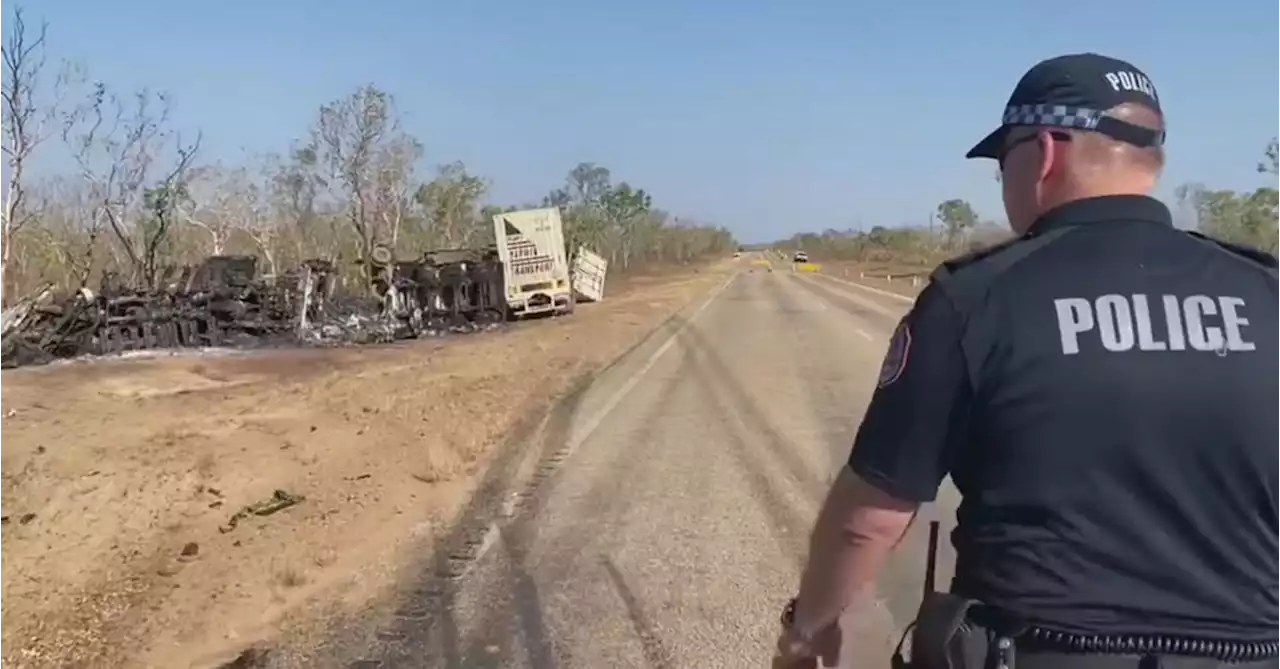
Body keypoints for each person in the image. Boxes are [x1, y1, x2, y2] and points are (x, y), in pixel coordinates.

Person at [773, 52, 1280, 669]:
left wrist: (809, 634)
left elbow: (870, 522)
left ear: (1042, 152)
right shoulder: (1266, 292)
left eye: (1001, 166)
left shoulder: (976, 298)